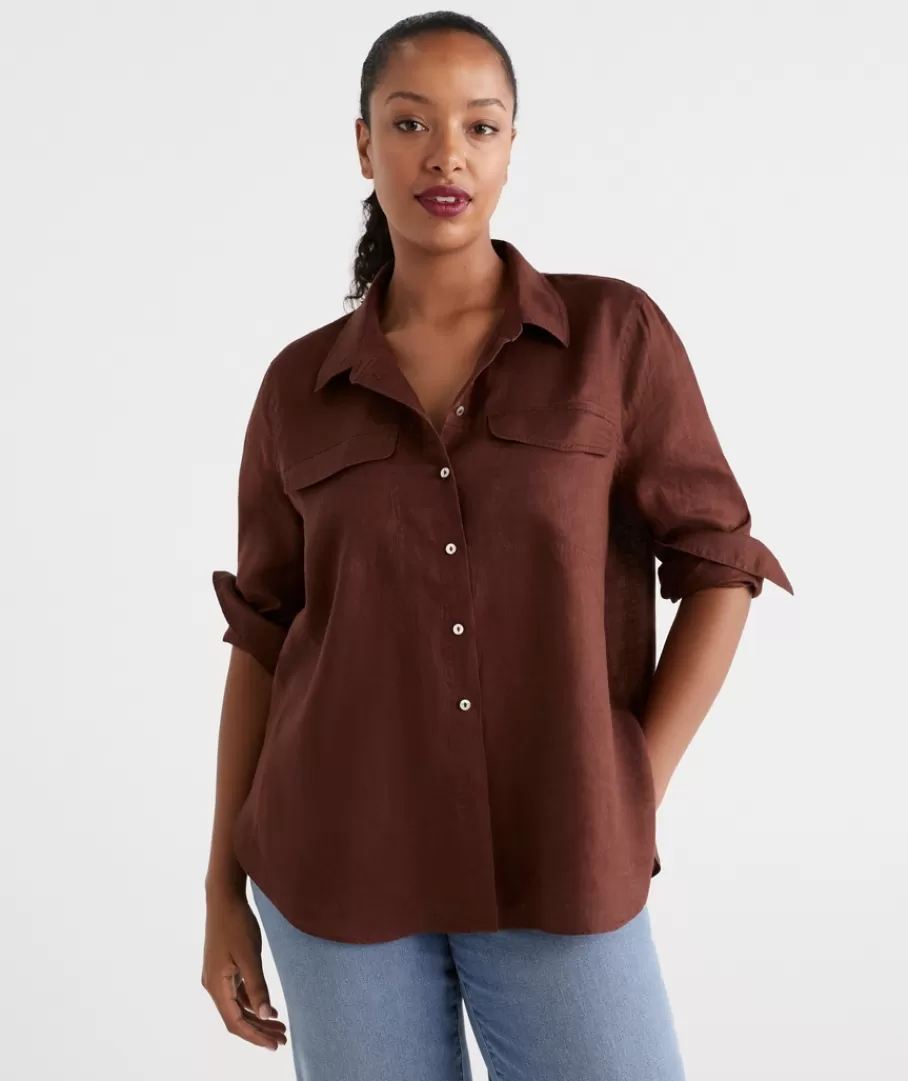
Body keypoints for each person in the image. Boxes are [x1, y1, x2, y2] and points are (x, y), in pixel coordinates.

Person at [201, 11, 793, 1081]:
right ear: (363, 145)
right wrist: (219, 891)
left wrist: (631, 779)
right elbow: (264, 637)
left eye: (479, 125)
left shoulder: (611, 336)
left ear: (512, 146)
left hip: (558, 852)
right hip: (335, 859)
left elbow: (720, 563)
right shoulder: (299, 387)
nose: (446, 155)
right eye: (410, 123)